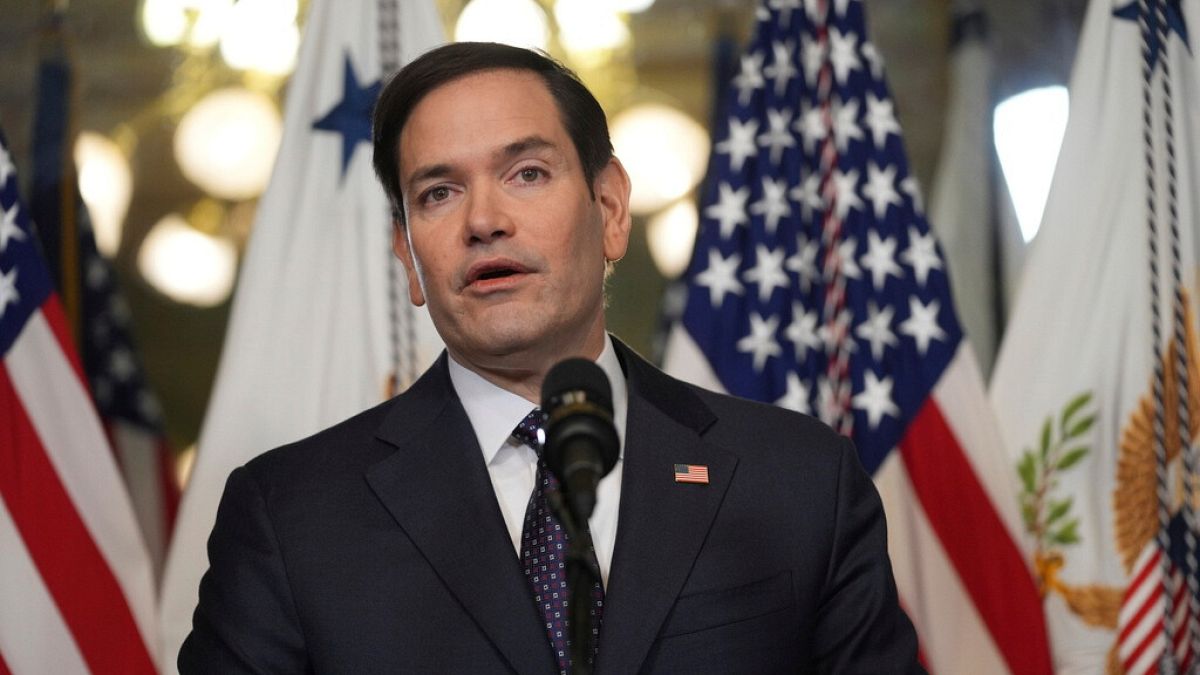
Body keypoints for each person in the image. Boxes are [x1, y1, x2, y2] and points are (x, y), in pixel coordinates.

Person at [179, 42, 923, 674]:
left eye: (526, 173)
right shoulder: (291, 517)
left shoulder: (798, 480)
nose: (483, 220)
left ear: (610, 209)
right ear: (407, 257)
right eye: (438, 193)